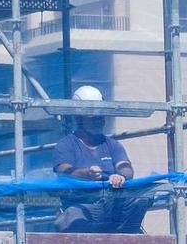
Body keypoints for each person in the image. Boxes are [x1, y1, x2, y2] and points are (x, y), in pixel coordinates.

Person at [51, 85, 149, 234]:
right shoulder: (66, 145)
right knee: (71, 218)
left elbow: (126, 167)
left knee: (141, 198)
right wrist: (86, 173)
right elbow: (64, 171)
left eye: (101, 116)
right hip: (82, 205)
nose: (99, 120)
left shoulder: (112, 144)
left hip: (111, 203)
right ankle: (107, 233)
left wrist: (121, 176)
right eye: (93, 117)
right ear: (79, 118)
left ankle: (117, 233)